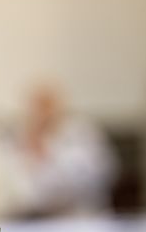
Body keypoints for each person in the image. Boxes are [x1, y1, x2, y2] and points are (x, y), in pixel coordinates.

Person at [14, 85, 117, 216]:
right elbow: (23, 189)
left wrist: (49, 154)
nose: (42, 113)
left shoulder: (81, 132)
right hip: (41, 219)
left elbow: (100, 173)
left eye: (46, 105)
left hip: (83, 216)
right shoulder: (24, 138)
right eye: (36, 107)